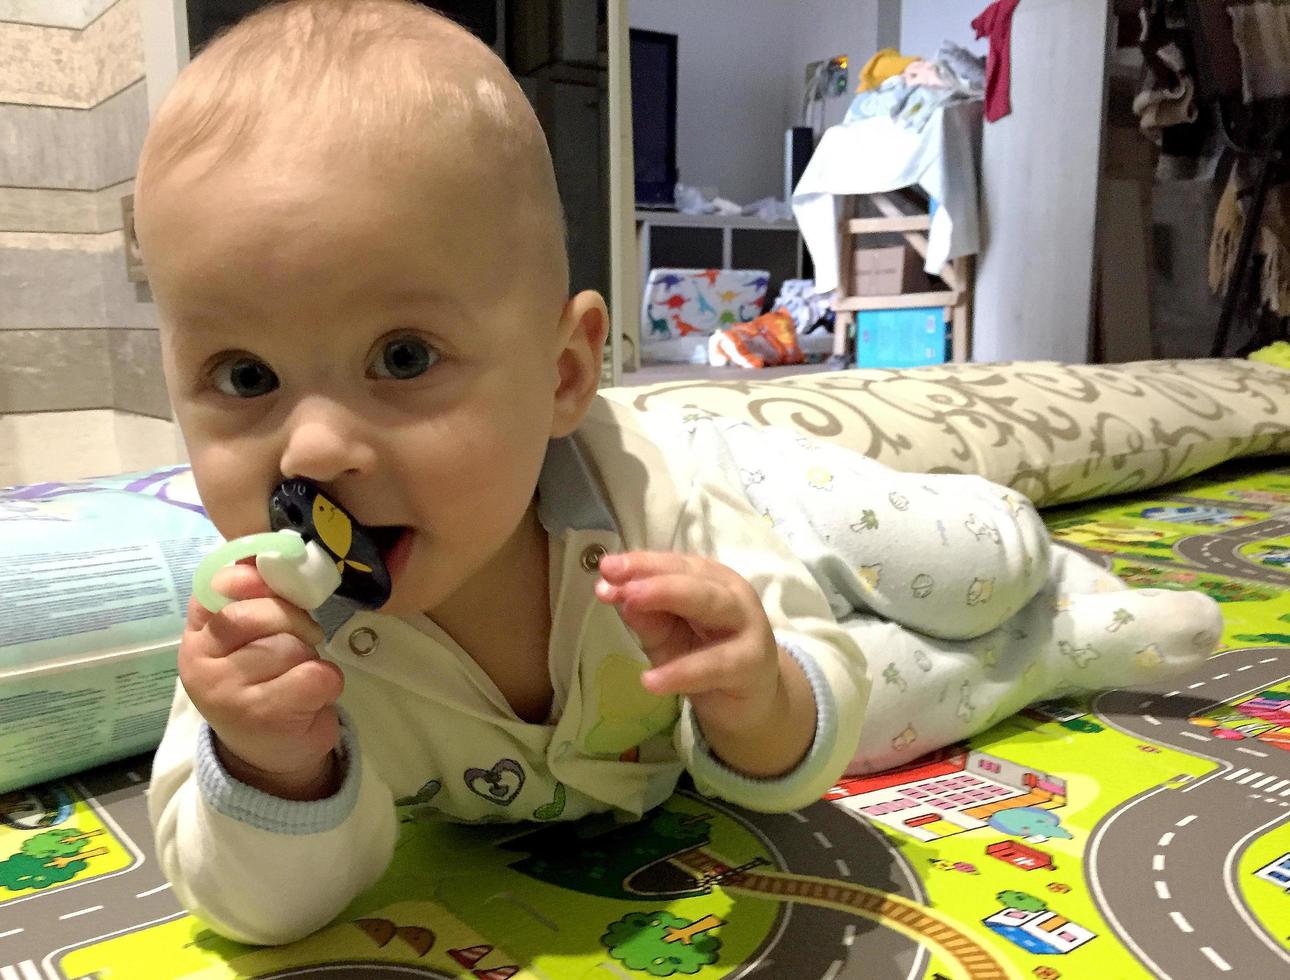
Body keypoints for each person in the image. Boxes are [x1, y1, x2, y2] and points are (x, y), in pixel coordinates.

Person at [136, 0, 1223, 946]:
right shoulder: (258, 643)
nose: (313, 451)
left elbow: (795, 635)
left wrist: (768, 660)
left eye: (404, 358)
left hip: (756, 490)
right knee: (870, 716)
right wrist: (275, 764)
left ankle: (1038, 561)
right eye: (244, 375)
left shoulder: (648, 499)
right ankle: (1058, 650)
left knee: (962, 568)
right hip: (673, 737)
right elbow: (257, 904)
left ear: (563, 373)